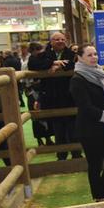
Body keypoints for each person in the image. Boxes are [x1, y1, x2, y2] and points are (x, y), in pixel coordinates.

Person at [69, 45, 104, 202]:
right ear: (80, 57)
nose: (94, 57)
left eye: (95, 54)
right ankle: (100, 197)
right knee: (95, 164)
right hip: (89, 128)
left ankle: (100, 193)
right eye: (89, 55)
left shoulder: (99, 73)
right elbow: (85, 106)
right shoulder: (77, 79)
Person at [28, 32, 81, 160]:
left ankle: (76, 155)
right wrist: (54, 63)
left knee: (73, 128)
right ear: (51, 41)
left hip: (70, 96)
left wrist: (56, 66)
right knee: (58, 129)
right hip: (52, 97)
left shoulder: (72, 53)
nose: (60, 41)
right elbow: (33, 64)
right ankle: (61, 156)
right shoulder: (43, 55)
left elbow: (75, 64)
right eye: (57, 39)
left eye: (62, 39)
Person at [23, 42, 54, 146]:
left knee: (45, 114)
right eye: (38, 50)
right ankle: (39, 139)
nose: (40, 52)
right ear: (33, 51)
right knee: (36, 116)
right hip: (33, 91)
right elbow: (25, 79)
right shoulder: (26, 63)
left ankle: (48, 137)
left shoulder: (41, 60)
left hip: (42, 90)